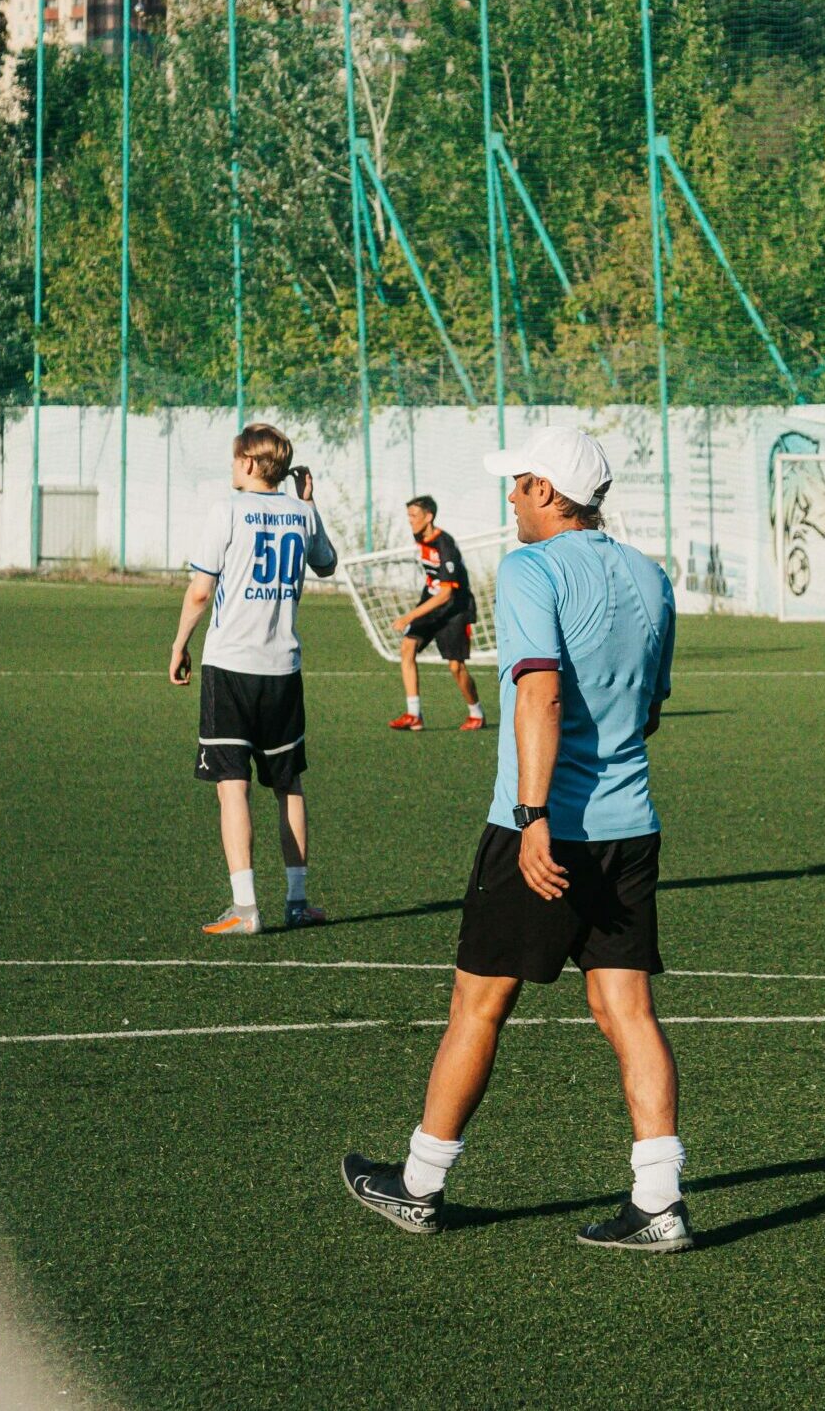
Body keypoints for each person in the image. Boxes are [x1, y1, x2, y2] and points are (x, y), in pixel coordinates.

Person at [342, 426, 691, 1252]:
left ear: (547, 491)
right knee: (627, 1008)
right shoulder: (652, 575)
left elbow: (538, 694)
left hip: (541, 826)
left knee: (479, 1003)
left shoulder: (532, 569)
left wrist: (535, 817)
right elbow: (649, 707)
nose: (510, 497)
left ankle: (420, 1184)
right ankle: (660, 1201)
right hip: (631, 824)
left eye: (519, 482)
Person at [169, 423, 337, 935]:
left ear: (246, 462)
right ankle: (297, 900)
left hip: (231, 668)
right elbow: (326, 565)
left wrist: (179, 644)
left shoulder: (227, 509)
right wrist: (310, 504)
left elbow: (201, 592)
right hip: (282, 669)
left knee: (232, 784)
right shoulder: (300, 513)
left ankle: (245, 908)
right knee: (288, 784)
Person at [387, 495, 485, 733]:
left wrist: (408, 617)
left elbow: (445, 595)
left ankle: (476, 712)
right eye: (408, 515)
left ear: (428, 517)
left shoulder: (446, 545)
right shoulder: (419, 536)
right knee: (407, 648)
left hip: (454, 609)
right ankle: (414, 715)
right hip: (431, 603)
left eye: (414, 516)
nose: (409, 521)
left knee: (456, 667)